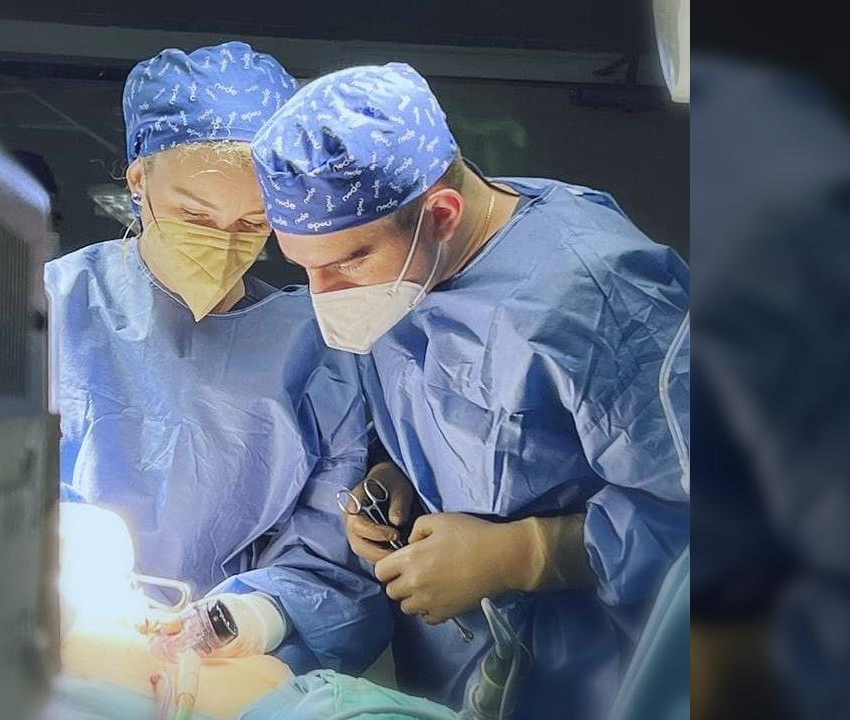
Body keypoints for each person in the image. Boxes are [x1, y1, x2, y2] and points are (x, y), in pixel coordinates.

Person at [248, 63, 690, 718]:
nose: (326, 295)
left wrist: (525, 554)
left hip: (605, 682)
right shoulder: (410, 270)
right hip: (463, 674)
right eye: (304, 267)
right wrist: (396, 477)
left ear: (442, 214)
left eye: (348, 261)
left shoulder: (596, 295)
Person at [44, 42, 391, 675]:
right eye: (194, 215)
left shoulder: (316, 352)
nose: (222, 243)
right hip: (50, 649)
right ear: (139, 182)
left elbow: (334, 563)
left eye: (252, 224)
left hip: (222, 673)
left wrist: (249, 619)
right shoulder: (48, 308)